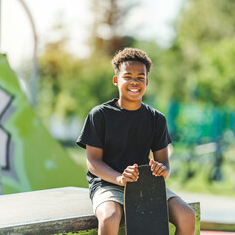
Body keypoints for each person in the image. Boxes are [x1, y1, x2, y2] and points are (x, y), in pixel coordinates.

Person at [76, 47, 196, 235]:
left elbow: (164, 162)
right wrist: (120, 178)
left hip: (146, 185)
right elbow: (93, 162)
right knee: (109, 218)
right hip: (108, 184)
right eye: (128, 76)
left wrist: (162, 170)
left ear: (147, 82)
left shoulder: (156, 119)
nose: (135, 82)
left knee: (187, 216)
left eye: (140, 77)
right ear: (116, 80)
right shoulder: (100, 115)